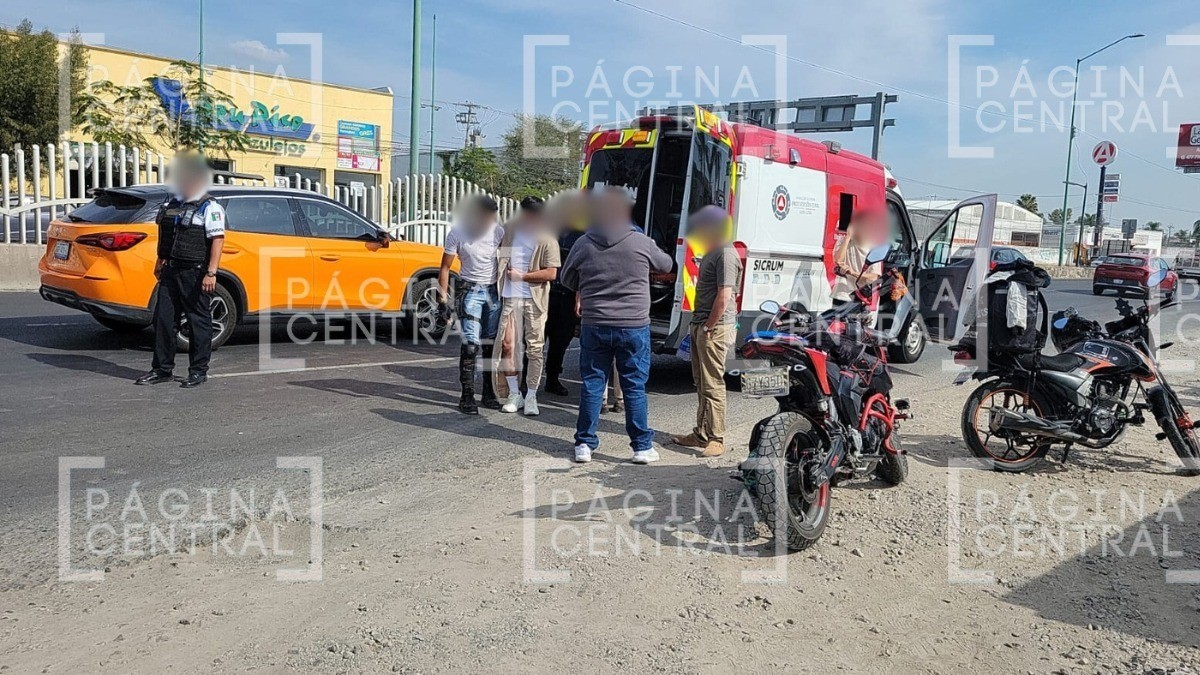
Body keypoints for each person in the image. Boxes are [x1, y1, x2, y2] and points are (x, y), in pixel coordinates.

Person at [560, 186, 673, 465]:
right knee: (634, 386)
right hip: (633, 325)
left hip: (595, 324)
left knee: (592, 384)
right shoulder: (641, 242)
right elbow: (667, 264)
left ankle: (584, 444)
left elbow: (566, 279)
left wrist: (588, 284)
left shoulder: (583, 243)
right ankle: (641, 447)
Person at [134, 152, 226, 389]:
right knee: (164, 321)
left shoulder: (209, 207)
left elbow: (217, 240)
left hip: (195, 272)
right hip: (171, 269)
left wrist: (211, 273)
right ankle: (162, 369)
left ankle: (198, 371)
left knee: (198, 323)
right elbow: (167, 235)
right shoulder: (174, 204)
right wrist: (160, 259)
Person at [670, 206, 742, 458]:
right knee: (701, 382)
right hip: (703, 324)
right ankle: (701, 434)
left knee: (713, 384)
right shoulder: (713, 250)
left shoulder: (725, 254)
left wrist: (709, 326)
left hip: (715, 328)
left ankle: (716, 438)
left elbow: (724, 296)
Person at [490, 197, 560, 416]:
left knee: (534, 348)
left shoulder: (547, 238)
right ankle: (514, 393)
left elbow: (551, 273)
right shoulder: (509, 230)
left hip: (534, 299)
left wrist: (522, 276)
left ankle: (531, 395)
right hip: (509, 297)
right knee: (507, 345)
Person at [439, 195, 503, 415]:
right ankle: (467, 395)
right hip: (469, 291)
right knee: (470, 345)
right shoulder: (458, 233)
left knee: (489, 344)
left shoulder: (498, 232)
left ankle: (488, 392)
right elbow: (445, 267)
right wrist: (443, 300)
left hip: (493, 292)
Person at [543, 192, 588, 397]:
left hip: (569, 294)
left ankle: (552, 379)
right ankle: (526, 379)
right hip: (546, 291)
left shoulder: (584, 235)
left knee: (561, 340)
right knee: (536, 339)